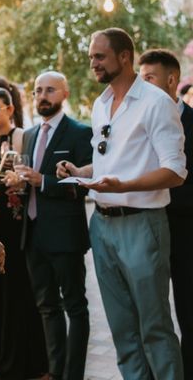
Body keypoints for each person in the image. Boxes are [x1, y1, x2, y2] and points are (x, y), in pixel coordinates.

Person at [58, 28, 186, 380]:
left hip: (142, 224)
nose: (93, 64)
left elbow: (175, 171)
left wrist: (124, 186)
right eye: (90, 58)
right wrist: (79, 170)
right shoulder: (100, 105)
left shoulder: (157, 102)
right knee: (123, 332)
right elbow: (107, 162)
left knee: (155, 328)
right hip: (101, 225)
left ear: (125, 56)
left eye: (99, 56)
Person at [17, 72, 92, 380]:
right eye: (37, 91)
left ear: (65, 93)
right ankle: (54, 370)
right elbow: (28, 181)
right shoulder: (31, 134)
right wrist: (19, 184)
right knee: (47, 307)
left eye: (49, 90)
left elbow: (85, 185)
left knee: (75, 306)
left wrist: (43, 181)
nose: (42, 96)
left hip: (65, 237)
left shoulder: (79, 133)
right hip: (32, 235)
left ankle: (73, 374)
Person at [0, 87, 48, 380]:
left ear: (10, 110)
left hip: (16, 226)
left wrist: (21, 180)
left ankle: (29, 362)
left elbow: (30, 176)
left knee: (20, 292)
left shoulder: (22, 137)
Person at [139, 49, 193, 379]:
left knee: (188, 312)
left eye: (149, 79)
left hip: (186, 233)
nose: (142, 87)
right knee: (151, 315)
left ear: (172, 80)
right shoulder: (140, 124)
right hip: (146, 229)